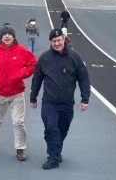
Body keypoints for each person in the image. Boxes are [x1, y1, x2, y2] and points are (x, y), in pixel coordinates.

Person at [30, 29, 90, 169]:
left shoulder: (75, 57)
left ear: (64, 40)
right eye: (54, 41)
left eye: (59, 40)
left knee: (62, 130)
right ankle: (53, 158)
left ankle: (56, 150)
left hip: (67, 103)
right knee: (51, 129)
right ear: (50, 42)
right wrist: (33, 97)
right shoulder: (44, 58)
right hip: (49, 102)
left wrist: (85, 99)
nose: (57, 43)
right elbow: (37, 79)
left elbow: (83, 78)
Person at [0, 23, 37, 161]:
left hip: (17, 94)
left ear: (13, 36)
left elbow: (33, 64)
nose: (7, 36)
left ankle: (20, 149)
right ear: (1, 37)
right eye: (4, 34)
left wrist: (22, 73)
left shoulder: (22, 51)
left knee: (18, 122)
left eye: (10, 34)